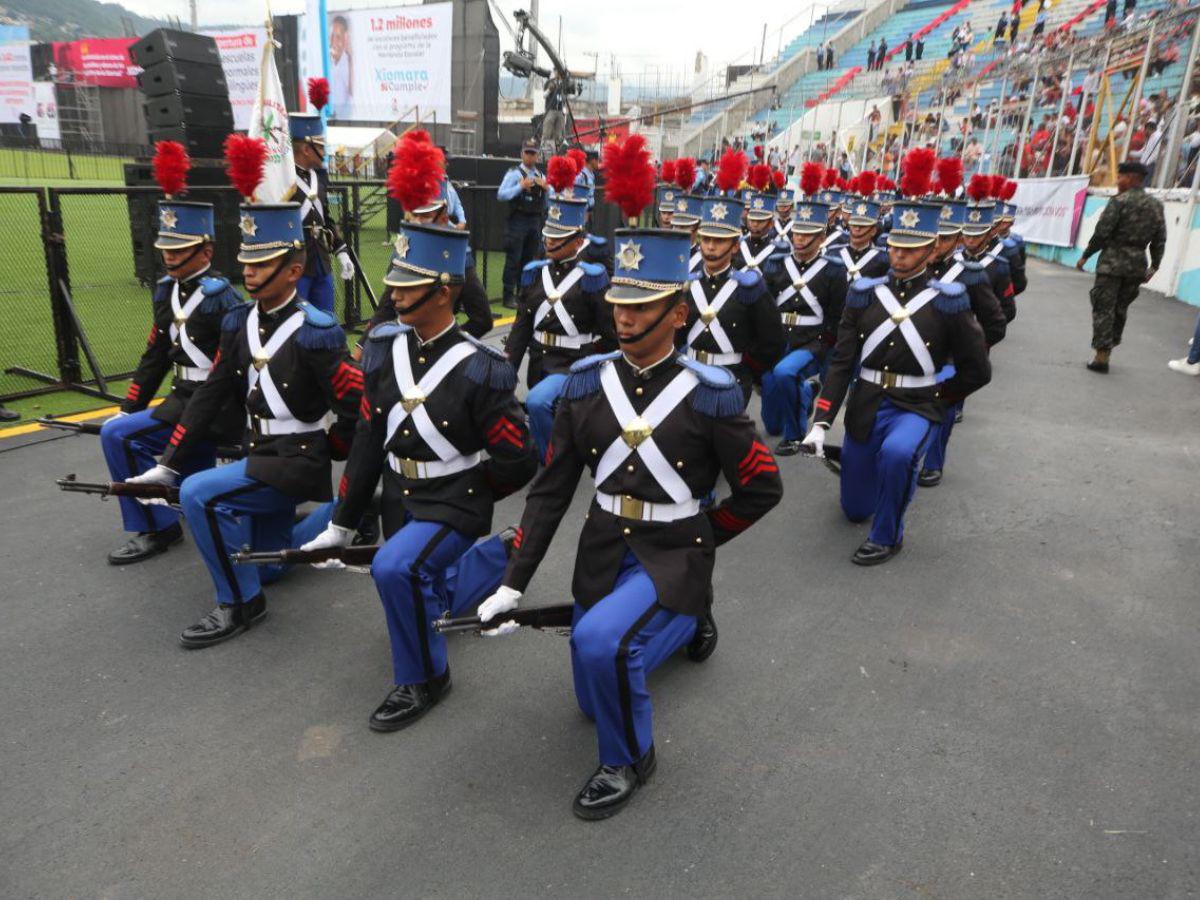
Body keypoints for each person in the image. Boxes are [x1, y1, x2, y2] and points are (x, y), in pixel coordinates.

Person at [474, 225, 783, 819]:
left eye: (641, 307)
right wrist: (513, 582)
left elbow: (763, 486)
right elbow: (551, 490)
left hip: (674, 546)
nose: (624, 318)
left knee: (600, 644)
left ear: (677, 312)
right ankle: (689, 622)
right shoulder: (587, 384)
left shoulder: (711, 395)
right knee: (594, 693)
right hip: (603, 546)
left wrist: (705, 537)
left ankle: (629, 760)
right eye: (619, 304)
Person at [299, 222, 538, 731]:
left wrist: (474, 490)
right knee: (426, 587)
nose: (395, 294)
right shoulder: (385, 351)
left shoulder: (482, 368)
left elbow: (520, 459)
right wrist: (342, 523)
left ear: (445, 291)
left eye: (409, 285)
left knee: (395, 570)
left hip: (455, 500)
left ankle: (426, 678)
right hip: (399, 497)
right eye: (396, 282)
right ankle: (500, 553)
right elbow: (367, 440)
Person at [128, 190, 363, 648]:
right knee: (269, 565)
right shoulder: (237, 322)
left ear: (294, 270)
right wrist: (169, 461)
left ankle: (239, 603)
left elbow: (356, 408)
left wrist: (333, 449)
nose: (248, 271)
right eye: (246, 262)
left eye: (262, 263)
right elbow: (211, 393)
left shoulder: (318, 332)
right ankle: (349, 514)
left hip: (295, 458)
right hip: (260, 452)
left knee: (200, 495)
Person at [801, 159, 991, 566]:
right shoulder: (864, 294)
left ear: (930, 248)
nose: (900, 256)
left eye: (911, 249)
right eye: (896, 247)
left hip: (918, 402)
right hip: (867, 400)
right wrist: (820, 421)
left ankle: (888, 535)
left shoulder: (949, 300)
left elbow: (977, 368)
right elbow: (841, 362)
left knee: (899, 455)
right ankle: (857, 469)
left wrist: (941, 398)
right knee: (853, 507)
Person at [100, 157, 244, 565]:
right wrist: (129, 405)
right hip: (182, 395)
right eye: (166, 248)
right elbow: (157, 353)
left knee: (121, 439)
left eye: (179, 250)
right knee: (120, 428)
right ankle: (164, 508)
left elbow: (228, 371)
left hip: (215, 403)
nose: (168, 257)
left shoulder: (222, 298)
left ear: (206, 250)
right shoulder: (167, 291)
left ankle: (157, 528)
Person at [917, 176, 1008, 487]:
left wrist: (969, 351)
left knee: (941, 408)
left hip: (951, 359)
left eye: (944, 239)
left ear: (956, 239)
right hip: (915, 352)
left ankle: (932, 463)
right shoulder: (912, 270)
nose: (936, 246)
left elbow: (996, 323)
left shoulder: (969, 275)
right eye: (933, 238)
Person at [506, 196, 612, 461]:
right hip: (539, 359)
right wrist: (507, 368)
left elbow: (610, 329)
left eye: (558, 236)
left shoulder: (591, 278)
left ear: (577, 241)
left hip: (573, 363)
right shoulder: (534, 273)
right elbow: (522, 325)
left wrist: (602, 367)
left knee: (537, 402)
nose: (550, 242)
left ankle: (552, 461)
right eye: (548, 236)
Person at [762, 184, 848, 455]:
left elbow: (837, 314)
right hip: (777, 337)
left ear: (821, 237)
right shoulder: (777, 264)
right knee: (770, 418)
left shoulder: (833, 270)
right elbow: (765, 305)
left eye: (807, 234)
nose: (799, 239)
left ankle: (796, 433)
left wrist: (825, 345)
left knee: (784, 373)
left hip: (811, 340)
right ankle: (805, 393)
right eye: (797, 233)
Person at [687, 196, 784, 400]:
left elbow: (771, 339)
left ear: (735, 247)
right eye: (706, 239)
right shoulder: (688, 285)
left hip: (732, 378)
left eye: (720, 241)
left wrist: (749, 369)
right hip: (689, 374)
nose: (711, 247)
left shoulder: (750, 288)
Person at [1075, 160, 1166, 372]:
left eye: (1121, 176)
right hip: (1136, 265)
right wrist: (1154, 266)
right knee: (1120, 308)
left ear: (1131, 178)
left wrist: (1086, 256)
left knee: (1103, 308)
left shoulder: (1119, 201)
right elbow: (1160, 239)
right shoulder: (1156, 205)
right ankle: (1110, 346)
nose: (1117, 181)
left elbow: (1102, 234)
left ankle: (1102, 355)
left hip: (1112, 263)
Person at [290, 112, 354, 315]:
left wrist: (341, 250)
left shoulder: (320, 177)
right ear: (306, 149)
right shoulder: (283, 179)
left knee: (327, 320)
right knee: (298, 323)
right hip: (295, 263)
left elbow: (325, 217)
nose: (324, 152)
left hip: (321, 260)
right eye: (320, 147)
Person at [497, 138, 548, 310]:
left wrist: (547, 188)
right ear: (522, 154)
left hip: (534, 221)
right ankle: (508, 296)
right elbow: (501, 194)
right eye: (528, 152)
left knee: (529, 259)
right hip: (517, 221)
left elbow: (552, 197)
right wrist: (520, 186)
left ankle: (524, 293)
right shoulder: (514, 173)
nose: (530, 156)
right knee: (513, 259)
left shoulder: (541, 176)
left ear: (537, 156)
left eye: (533, 153)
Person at [327, 15, 352, 115]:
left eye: (338, 37)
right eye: (332, 36)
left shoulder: (349, 63)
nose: (334, 42)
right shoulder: (327, 62)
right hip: (329, 116)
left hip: (346, 119)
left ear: (345, 38)